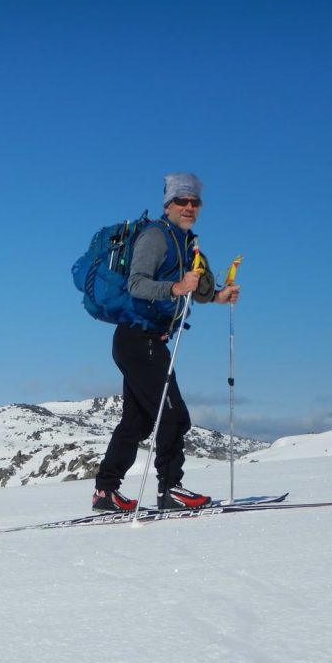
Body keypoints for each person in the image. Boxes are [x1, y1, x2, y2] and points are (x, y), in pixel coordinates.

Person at [92, 172, 241, 513]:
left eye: (194, 202)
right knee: (173, 415)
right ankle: (170, 489)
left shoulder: (186, 242)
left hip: (144, 341)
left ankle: (105, 492)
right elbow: (137, 284)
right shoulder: (156, 237)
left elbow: (192, 290)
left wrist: (218, 296)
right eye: (182, 201)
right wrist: (174, 288)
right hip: (137, 339)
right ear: (168, 204)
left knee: (138, 421)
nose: (189, 207)